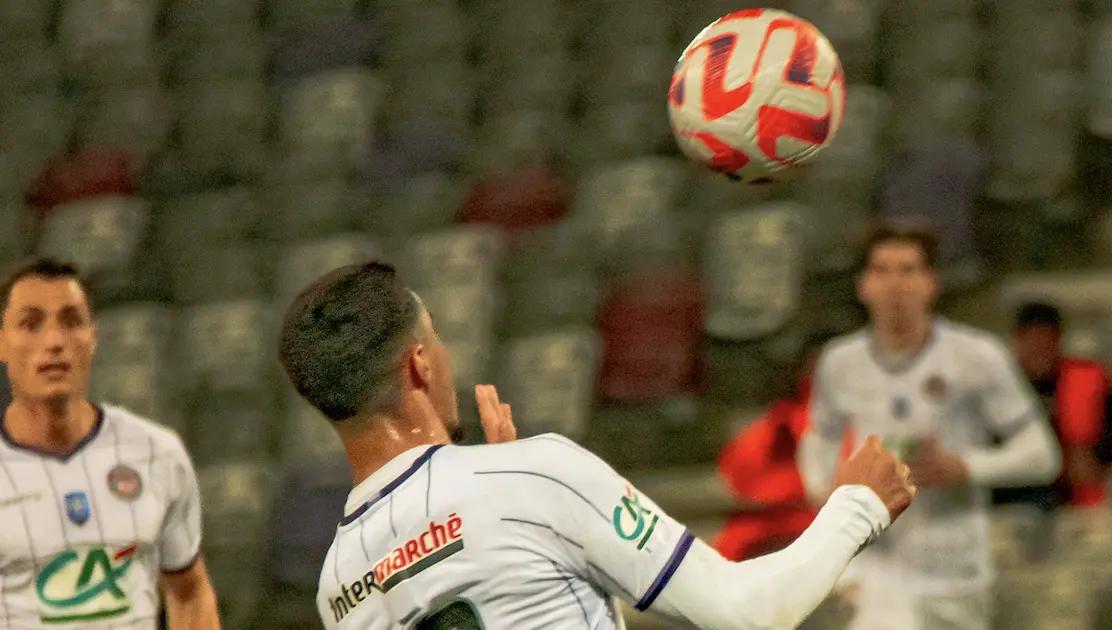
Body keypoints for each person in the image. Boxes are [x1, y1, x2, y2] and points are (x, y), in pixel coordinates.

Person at [277, 260, 916, 629]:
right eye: (436, 339)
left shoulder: (336, 584)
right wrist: (858, 505)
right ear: (419, 364)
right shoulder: (532, 478)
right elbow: (745, 612)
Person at [797, 226, 1062, 630]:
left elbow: (1042, 455)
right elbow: (819, 436)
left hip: (955, 569)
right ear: (863, 286)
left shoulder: (976, 356)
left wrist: (965, 467)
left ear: (931, 283)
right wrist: (825, 496)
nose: (895, 285)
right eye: (881, 271)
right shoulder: (840, 362)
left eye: (908, 270)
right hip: (877, 567)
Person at [0, 258, 219, 629]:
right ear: (2, 343)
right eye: (31, 324)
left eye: (71, 321)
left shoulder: (156, 453)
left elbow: (189, 592)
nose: (54, 341)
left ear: (93, 337)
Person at [995, 301, 1111, 509]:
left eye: (1046, 339)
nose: (1039, 348)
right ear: (1018, 341)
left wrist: (1096, 457)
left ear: (1058, 340)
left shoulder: (1089, 380)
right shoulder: (997, 387)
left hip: (1080, 502)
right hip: (1016, 499)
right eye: (1032, 340)